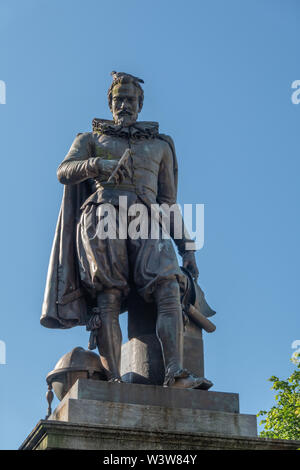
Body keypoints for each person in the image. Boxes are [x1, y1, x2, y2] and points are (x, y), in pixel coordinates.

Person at [41, 71, 209, 389]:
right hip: (102, 214)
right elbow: (63, 171)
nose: (124, 104)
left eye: (130, 99)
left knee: (169, 284)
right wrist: (95, 166)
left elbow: (168, 202)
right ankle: (114, 379)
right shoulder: (90, 139)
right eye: (118, 99)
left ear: (140, 103)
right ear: (110, 102)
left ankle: (175, 373)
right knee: (109, 295)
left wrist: (187, 248)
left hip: (146, 218)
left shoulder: (160, 146)